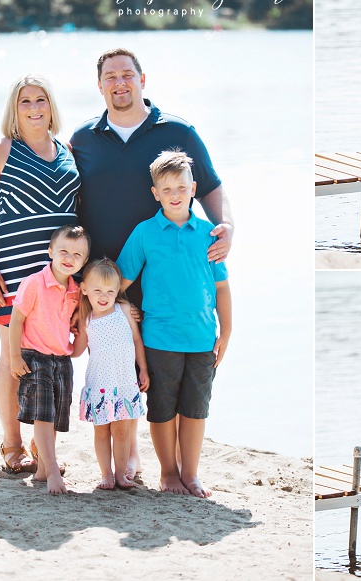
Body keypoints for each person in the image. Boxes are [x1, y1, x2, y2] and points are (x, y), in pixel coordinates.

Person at [70, 47, 235, 480]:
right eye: (110, 76)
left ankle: (161, 463)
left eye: (127, 74)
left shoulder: (178, 131)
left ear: (143, 79)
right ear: (100, 84)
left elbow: (212, 188)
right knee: (118, 365)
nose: (119, 83)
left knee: (157, 373)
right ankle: (133, 457)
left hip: (165, 276)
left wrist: (227, 228)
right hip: (110, 281)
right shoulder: (83, 139)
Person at [0, 74, 80, 474]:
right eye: (25, 102)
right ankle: (11, 443)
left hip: (61, 276)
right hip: (12, 272)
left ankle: (41, 444)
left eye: (41, 100)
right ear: (14, 110)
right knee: (14, 357)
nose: (34, 108)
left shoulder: (68, 150)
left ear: (51, 106)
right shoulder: (0, 151)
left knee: (51, 356)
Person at [116, 150, 232, 497]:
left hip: (201, 339)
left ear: (193, 188)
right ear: (156, 194)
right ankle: (168, 473)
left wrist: (226, 331)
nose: (175, 195)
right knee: (163, 409)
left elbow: (222, 288)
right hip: (159, 338)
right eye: (166, 190)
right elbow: (119, 282)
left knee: (196, 410)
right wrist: (125, 309)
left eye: (181, 187)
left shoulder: (209, 234)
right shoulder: (145, 233)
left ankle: (191, 474)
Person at [9, 225, 90, 494]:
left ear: (84, 261)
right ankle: (53, 470)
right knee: (43, 416)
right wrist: (14, 356)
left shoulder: (77, 291)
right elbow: (16, 320)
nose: (69, 257)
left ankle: (44, 467)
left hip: (62, 360)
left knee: (54, 416)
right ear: (50, 251)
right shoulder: (34, 283)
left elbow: (75, 333)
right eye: (64, 251)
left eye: (77, 254)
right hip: (34, 357)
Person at [76, 258, 150, 490]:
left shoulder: (125, 310)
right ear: (84, 289)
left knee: (122, 431)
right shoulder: (86, 320)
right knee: (101, 432)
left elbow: (137, 341)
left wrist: (144, 370)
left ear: (118, 290)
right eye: (97, 290)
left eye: (110, 291)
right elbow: (76, 352)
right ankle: (105, 474)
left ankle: (120, 474)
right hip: (99, 384)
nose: (103, 296)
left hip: (126, 382)